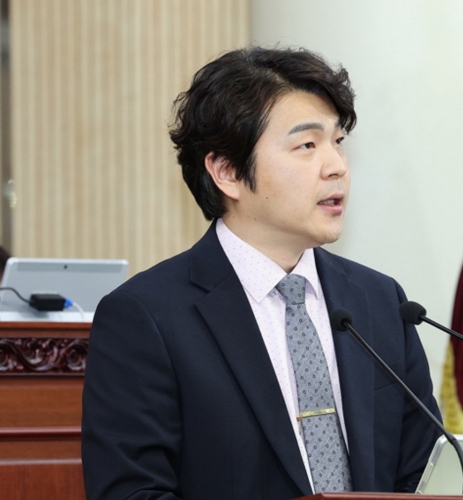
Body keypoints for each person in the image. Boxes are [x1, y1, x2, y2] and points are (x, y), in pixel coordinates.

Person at [81, 46, 441, 500]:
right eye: (307, 145)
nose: (337, 167)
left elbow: (425, 475)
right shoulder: (146, 318)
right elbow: (132, 493)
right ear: (227, 172)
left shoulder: (381, 301)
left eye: (338, 141)